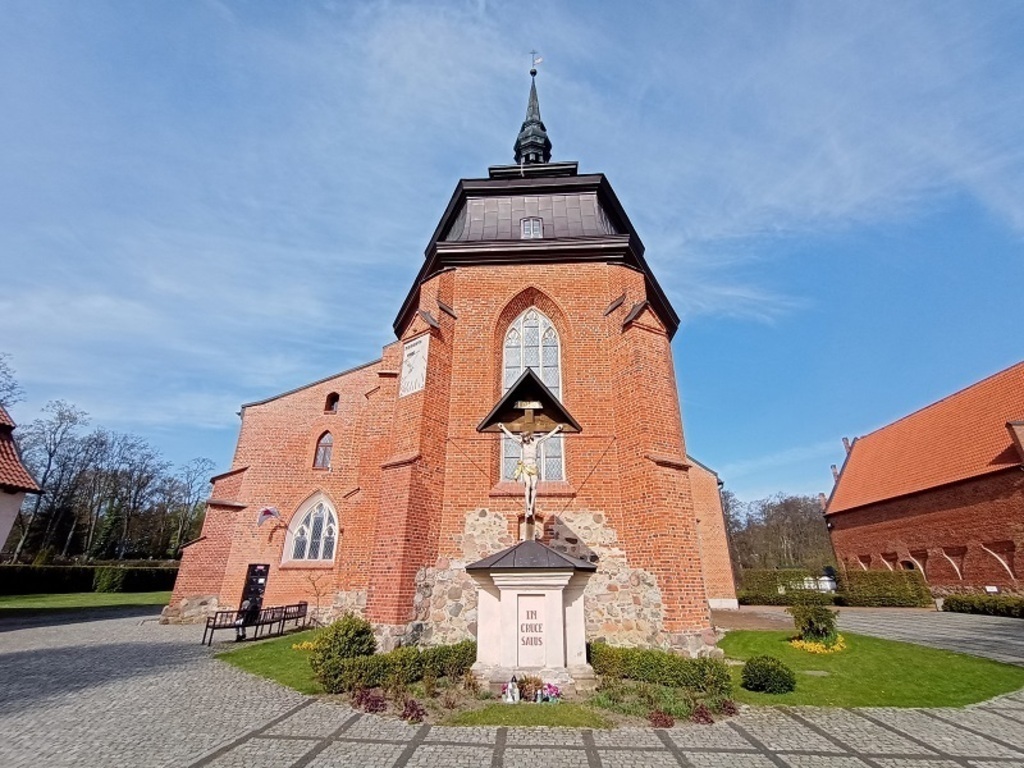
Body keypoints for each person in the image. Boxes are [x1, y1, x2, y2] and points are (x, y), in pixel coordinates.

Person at [499, 422, 563, 518]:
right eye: (523, 438)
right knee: (527, 485)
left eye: (526, 437)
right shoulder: (522, 443)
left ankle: (531, 506)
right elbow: (511, 436)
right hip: (525, 466)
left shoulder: (535, 442)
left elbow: (547, 437)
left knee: (533, 486)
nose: (524, 439)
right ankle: (527, 507)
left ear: (529, 436)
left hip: (533, 467)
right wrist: (503, 428)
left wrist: (556, 429)